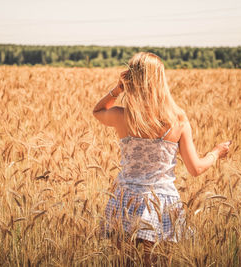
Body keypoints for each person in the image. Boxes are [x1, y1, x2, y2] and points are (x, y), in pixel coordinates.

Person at [92, 52, 230, 266]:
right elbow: (196, 169)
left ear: (131, 79)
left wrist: (118, 89)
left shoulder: (123, 116)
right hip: (163, 203)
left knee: (125, 263)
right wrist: (216, 152)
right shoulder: (178, 121)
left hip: (125, 199)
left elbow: (98, 110)